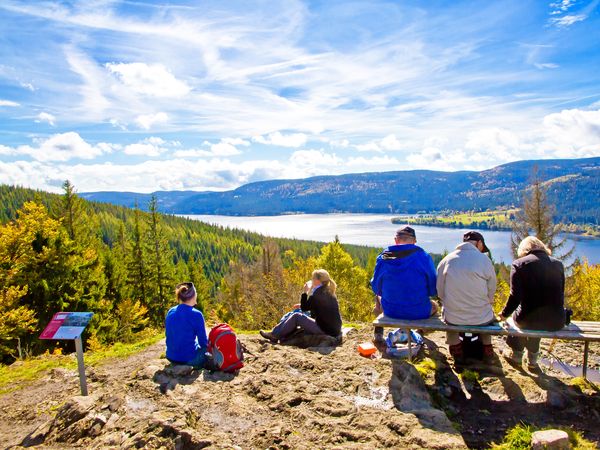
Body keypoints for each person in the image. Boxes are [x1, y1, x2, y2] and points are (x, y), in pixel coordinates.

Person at [500, 236, 565, 370]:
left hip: (528, 320)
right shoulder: (558, 264)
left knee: (517, 318)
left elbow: (515, 296)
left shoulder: (519, 265)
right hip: (556, 321)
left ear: (524, 250)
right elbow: (561, 293)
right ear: (542, 247)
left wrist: (504, 314)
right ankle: (533, 360)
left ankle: (517, 355)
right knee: (539, 315)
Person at [437, 231, 497, 364]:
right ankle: (487, 346)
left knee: (448, 314)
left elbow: (440, 292)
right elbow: (491, 290)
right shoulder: (484, 260)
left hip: (454, 318)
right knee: (488, 313)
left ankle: (456, 347)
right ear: (479, 243)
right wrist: (487, 301)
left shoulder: (446, 260)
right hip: (481, 318)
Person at [370, 226, 438, 341]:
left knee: (378, 296)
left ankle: (378, 334)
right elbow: (433, 289)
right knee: (435, 306)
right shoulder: (423, 257)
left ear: (396, 240)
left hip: (391, 310)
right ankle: (420, 331)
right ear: (414, 241)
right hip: (419, 311)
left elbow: (376, 287)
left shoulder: (385, 256)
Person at [260, 269, 342, 343]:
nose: (312, 280)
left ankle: (274, 335)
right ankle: (275, 332)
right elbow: (319, 308)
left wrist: (305, 292)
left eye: (313, 278)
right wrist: (301, 305)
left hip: (326, 330)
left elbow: (304, 308)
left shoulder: (317, 293)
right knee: (299, 313)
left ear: (317, 281)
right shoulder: (328, 291)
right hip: (334, 329)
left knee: (296, 316)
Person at [165, 282, 209, 369]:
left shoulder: (171, 311)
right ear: (193, 296)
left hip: (171, 357)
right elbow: (203, 342)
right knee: (206, 351)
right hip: (188, 360)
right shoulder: (197, 314)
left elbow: (169, 334)